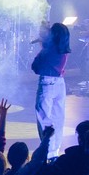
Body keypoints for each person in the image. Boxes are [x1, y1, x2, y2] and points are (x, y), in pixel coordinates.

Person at [30, 21, 70, 157]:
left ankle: (46, 150)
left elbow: (35, 67)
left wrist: (42, 47)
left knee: (44, 117)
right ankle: (54, 152)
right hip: (60, 83)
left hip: (47, 83)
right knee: (58, 118)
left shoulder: (48, 50)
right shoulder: (63, 49)